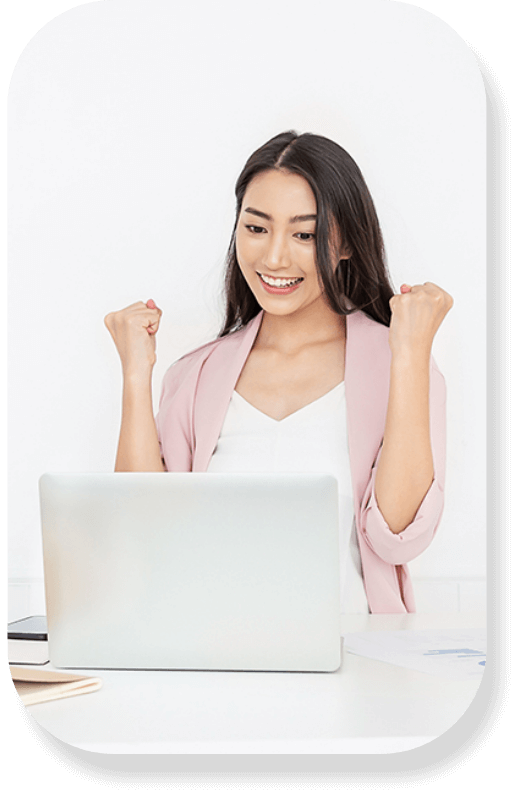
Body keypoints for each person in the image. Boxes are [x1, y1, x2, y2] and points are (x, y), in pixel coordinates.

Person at [105, 131, 453, 614]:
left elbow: (397, 536)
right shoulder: (196, 375)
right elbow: (146, 536)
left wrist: (410, 352)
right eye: (256, 228)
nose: (273, 258)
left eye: (304, 234)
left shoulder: (400, 364)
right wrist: (135, 374)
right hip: (212, 651)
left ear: (347, 242)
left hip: (354, 653)